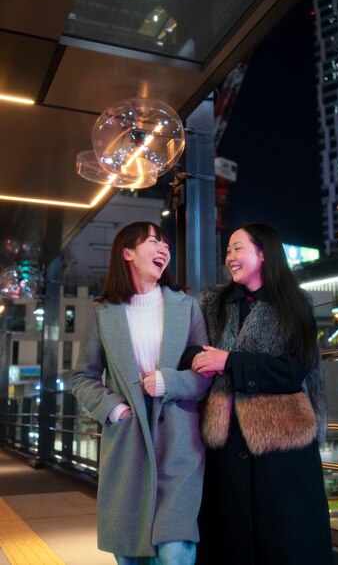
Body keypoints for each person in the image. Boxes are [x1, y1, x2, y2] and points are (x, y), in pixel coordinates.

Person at [191, 223, 335, 565]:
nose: (230, 257)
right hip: (225, 442)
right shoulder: (214, 304)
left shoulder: (296, 305)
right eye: (228, 250)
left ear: (263, 253)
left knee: (288, 538)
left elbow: (293, 369)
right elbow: (193, 352)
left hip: (282, 446)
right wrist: (200, 360)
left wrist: (229, 361)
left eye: (237, 248)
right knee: (228, 538)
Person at [72, 221, 210, 565]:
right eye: (153, 241)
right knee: (129, 552)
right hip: (127, 443)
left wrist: (170, 382)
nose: (164, 248)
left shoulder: (187, 306)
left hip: (180, 443)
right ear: (127, 253)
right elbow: (82, 377)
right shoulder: (103, 312)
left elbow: (205, 377)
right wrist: (112, 408)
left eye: (166, 243)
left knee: (176, 551)